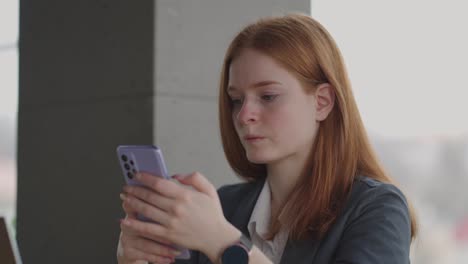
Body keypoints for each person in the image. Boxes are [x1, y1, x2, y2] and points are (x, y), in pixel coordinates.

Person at [116, 13, 417, 264]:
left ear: (323, 102)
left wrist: (224, 243)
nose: (244, 114)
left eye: (268, 96)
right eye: (236, 99)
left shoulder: (376, 208)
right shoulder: (222, 207)